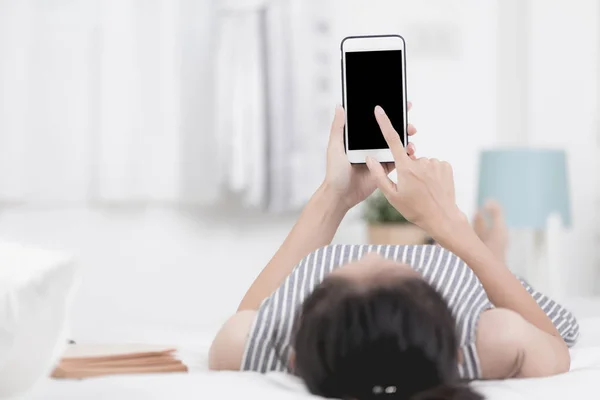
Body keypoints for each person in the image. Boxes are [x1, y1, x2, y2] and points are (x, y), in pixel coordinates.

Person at [208, 104, 579, 400]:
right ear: (456, 354)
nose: (375, 254)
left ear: (294, 357)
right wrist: (453, 228)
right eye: (399, 268)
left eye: (339, 271)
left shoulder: (285, 342)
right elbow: (553, 346)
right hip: (471, 278)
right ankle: (491, 252)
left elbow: (247, 321)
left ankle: (487, 250)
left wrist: (334, 197)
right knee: (494, 278)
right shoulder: (487, 338)